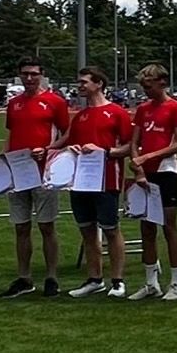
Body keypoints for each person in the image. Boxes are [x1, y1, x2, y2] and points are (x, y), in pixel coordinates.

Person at [58, 67, 135, 298]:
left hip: (107, 180)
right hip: (80, 181)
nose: (80, 86)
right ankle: (94, 279)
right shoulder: (80, 116)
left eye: (84, 82)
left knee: (111, 230)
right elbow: (70, 142)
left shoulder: (117, 112)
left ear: (99, 83)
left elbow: (130, 146)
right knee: (87, 231)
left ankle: (118, 281)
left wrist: (106, 151)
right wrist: (70, 148)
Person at [0, 58, 70, 298]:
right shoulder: (14, 103)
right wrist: (1, 162)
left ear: (42, 75)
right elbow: (11, 134)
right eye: (25, 74)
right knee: (21, 227)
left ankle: (51, 277)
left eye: (34, 74)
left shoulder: (55, 102)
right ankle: (24, 277)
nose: (29, 78)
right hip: (18, 171)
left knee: (47, 225)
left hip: (43, 171)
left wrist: (49, 150)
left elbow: (67, 134)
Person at [126, 64, 177, 301]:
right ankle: (151, 282)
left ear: (162, 83)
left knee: (169, 226)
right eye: (143, 86)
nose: (146, 90)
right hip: (145, 174)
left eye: (149, 86)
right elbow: (134, 142)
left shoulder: (175, 107)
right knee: (146, 227)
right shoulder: (143, 109)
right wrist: (139, 167)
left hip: (166, 171)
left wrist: (147, 157)